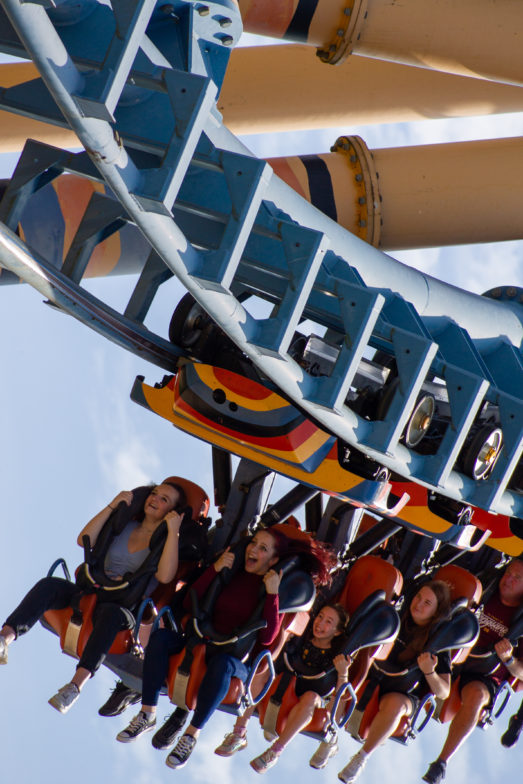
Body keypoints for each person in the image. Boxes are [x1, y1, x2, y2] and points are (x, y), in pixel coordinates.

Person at [116, 526, 336, 769]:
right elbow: (191, 601)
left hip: (237, 660)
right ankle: (147, 713)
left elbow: (266, 637)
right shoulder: (231, 573)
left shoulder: (273, 589)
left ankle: (191, 734)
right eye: (253, 544)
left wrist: (273, 593)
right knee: (160, 638)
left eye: (263, 549)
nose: (253, 550)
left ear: (274, 560)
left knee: (222, 665)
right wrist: (215, 569)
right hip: (202, 640)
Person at [0, 480, 186, 714]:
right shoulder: (124, 525)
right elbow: (83, 539)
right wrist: (113, 505)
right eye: (154, 494)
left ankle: (75, 686)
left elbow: (166, 575)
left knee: (111, 614)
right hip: (90, 590)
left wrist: (173, 532)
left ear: (172, 512)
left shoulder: (164, 543)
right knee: (49, 585)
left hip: (120, 607)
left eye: (164, 500)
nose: (155, 499)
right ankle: (4, 639)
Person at [337, 580, 452, 784]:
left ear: (435, 612)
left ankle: (361, 758)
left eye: (427, 603)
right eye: (418, 597)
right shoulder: (397, 616)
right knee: (344, 670)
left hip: (403, 692)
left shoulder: (437, 641)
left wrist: (430, 672)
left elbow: (443, 692)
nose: (418, 604)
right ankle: (329, 732)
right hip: (373, 674)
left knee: (395, 704)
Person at [212, 602, 349, 773]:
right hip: (282, 688)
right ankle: (239, 733)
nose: (320, 623)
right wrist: (285, 639)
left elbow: (342, 696)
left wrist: (343, 672)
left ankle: (275, 751)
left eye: (328, 622)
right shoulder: (301, 637)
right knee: (263, 671)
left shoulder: (336, 657)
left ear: (336, 631)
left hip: (306, 702)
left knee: (312, 697)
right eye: (320, 617)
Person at [422, 558, 523, 784]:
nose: (509, 579)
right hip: (451, 651)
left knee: (477, 696)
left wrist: (508, 658)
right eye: (509, 573)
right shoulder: (486, 586)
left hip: (484, 672)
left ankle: (441, 762)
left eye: (517, 578)